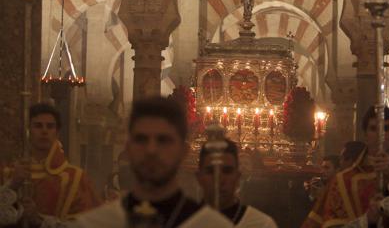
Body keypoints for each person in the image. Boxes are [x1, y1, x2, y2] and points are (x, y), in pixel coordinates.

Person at [70, 97, 232, 228]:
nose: (151, 150)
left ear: (184, 151)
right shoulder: (93, 225)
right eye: (141, 139)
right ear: (128, 149)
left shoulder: (211, 226)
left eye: (163, 140)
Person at [301, 106, 389, 228]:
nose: (380, 134)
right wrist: (367, 220)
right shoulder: (342, 181)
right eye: (373, 129)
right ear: (365, 135)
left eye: (386, 128)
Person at [0, 103, 100, 227]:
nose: (44, 131)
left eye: (50, 126)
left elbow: (86, 224)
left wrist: (39, 219)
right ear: (28, 131)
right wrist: (13, 185)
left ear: (57, 132)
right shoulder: (8, 175)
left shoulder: (76, 178)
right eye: (38, 126)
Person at [196, 137, 277, 228]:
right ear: (199, 178)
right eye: (211, 171)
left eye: (227, 171)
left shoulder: (262, 225)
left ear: (237, 177)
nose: (219, 179)